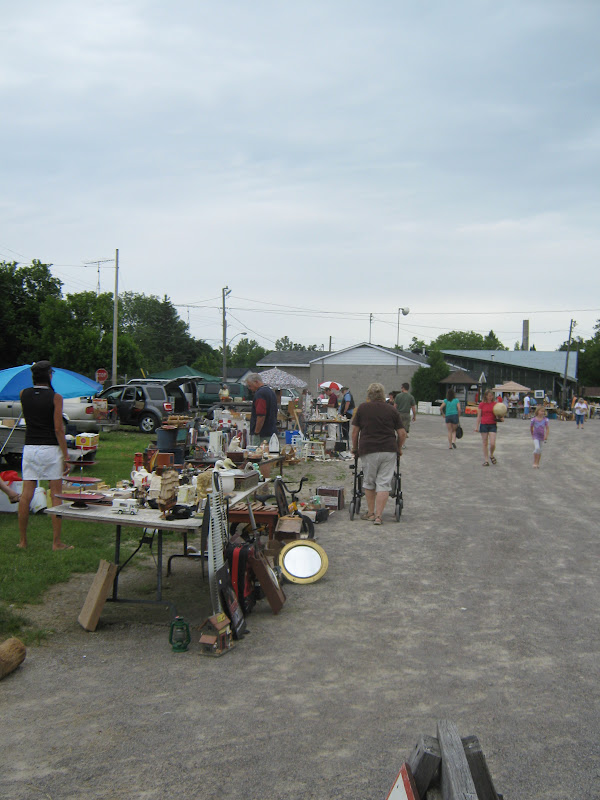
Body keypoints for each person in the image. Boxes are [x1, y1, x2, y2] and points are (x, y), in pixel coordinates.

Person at [18, 360, 72, 550]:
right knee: (56, 494)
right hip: (50, 449)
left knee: (26, 495)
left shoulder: (23, 394)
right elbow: (58, 428)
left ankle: (23, 541)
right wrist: (66, 456)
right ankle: (56, 542)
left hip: (30, 447)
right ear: (49, 375)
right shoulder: (55, 397)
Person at [351, 382, 406, 525]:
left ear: (369, 394)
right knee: (384, 482)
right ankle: (379, 516)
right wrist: (398, 448)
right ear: (383, 395)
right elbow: (402, 433)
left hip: (368, 449)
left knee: (369, 481)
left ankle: (370, 513)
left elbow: (355, 432)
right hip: (388, 449)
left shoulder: (362, 408)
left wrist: (354, 448)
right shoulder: (392, 410)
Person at [246, 373, 278, 445]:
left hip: (262, 434)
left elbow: (261, 415)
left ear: (256, 382)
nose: (249, 388)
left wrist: (256, 432)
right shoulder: (271, 392)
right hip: (272, 430)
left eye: (250, 385)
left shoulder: (260, 394)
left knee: (257, 453)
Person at [475, 389, 499, 467]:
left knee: (492, 443)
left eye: (491, 396)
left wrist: (500, 418)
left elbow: (499, 414)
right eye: (489, 396)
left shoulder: (495, 404)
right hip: (484, 424)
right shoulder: (482, 404)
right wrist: (477, 426)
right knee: (485, 442)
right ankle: (486, 460)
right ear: (485, 396)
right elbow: (479, 416)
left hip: (492, 424)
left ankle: (491, 454)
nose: (490, 397)